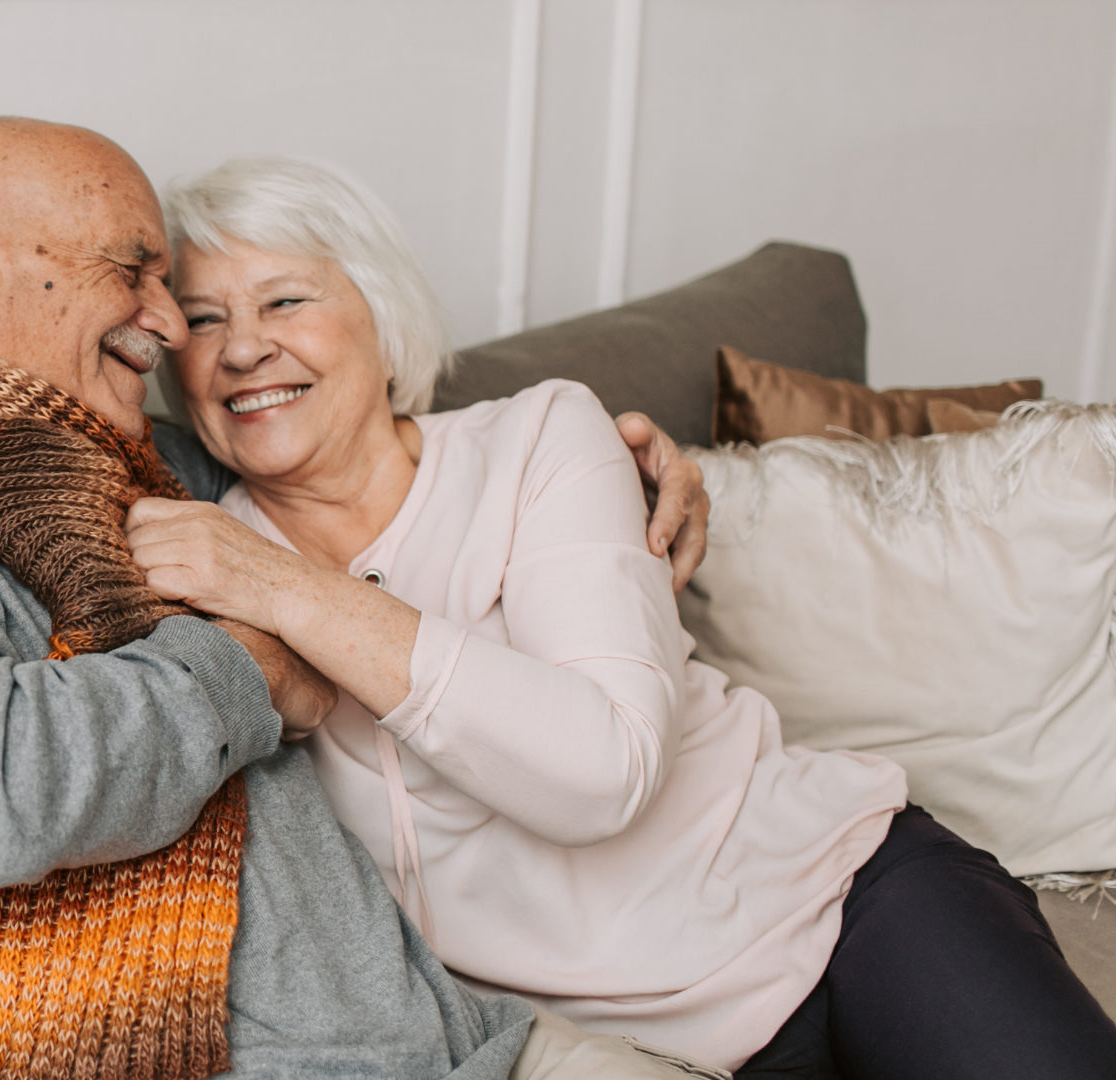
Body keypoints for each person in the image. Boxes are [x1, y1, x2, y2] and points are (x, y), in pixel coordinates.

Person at [0, 117, 718, 1080]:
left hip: (465, 1036)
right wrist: (250, 667)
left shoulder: (153, 463)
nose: (165, 322)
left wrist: (623, 466)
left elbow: (353, 440)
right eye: (135, 271)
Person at [125, 155, 1116, 1079]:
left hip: (841, 903)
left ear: (381, 319)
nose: (245, 347)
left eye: (285, 299)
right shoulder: (196, 552)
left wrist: (291, 591)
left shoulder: (541, 439)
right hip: (615, 1048)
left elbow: (604, 773)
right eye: (203, 321)